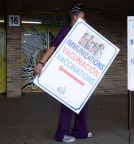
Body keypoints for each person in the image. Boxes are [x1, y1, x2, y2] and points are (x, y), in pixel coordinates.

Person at [34, 2, 92, 143]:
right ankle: (62, 134)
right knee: (68, 103)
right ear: (74, 17)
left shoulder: (84, 34)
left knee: (83, 103)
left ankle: (80, 131)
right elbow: (53, 48)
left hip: (81, 75)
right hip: (68, 75)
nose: (85, 21)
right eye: (83, 18)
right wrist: (41, 63)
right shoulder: (66, 31)